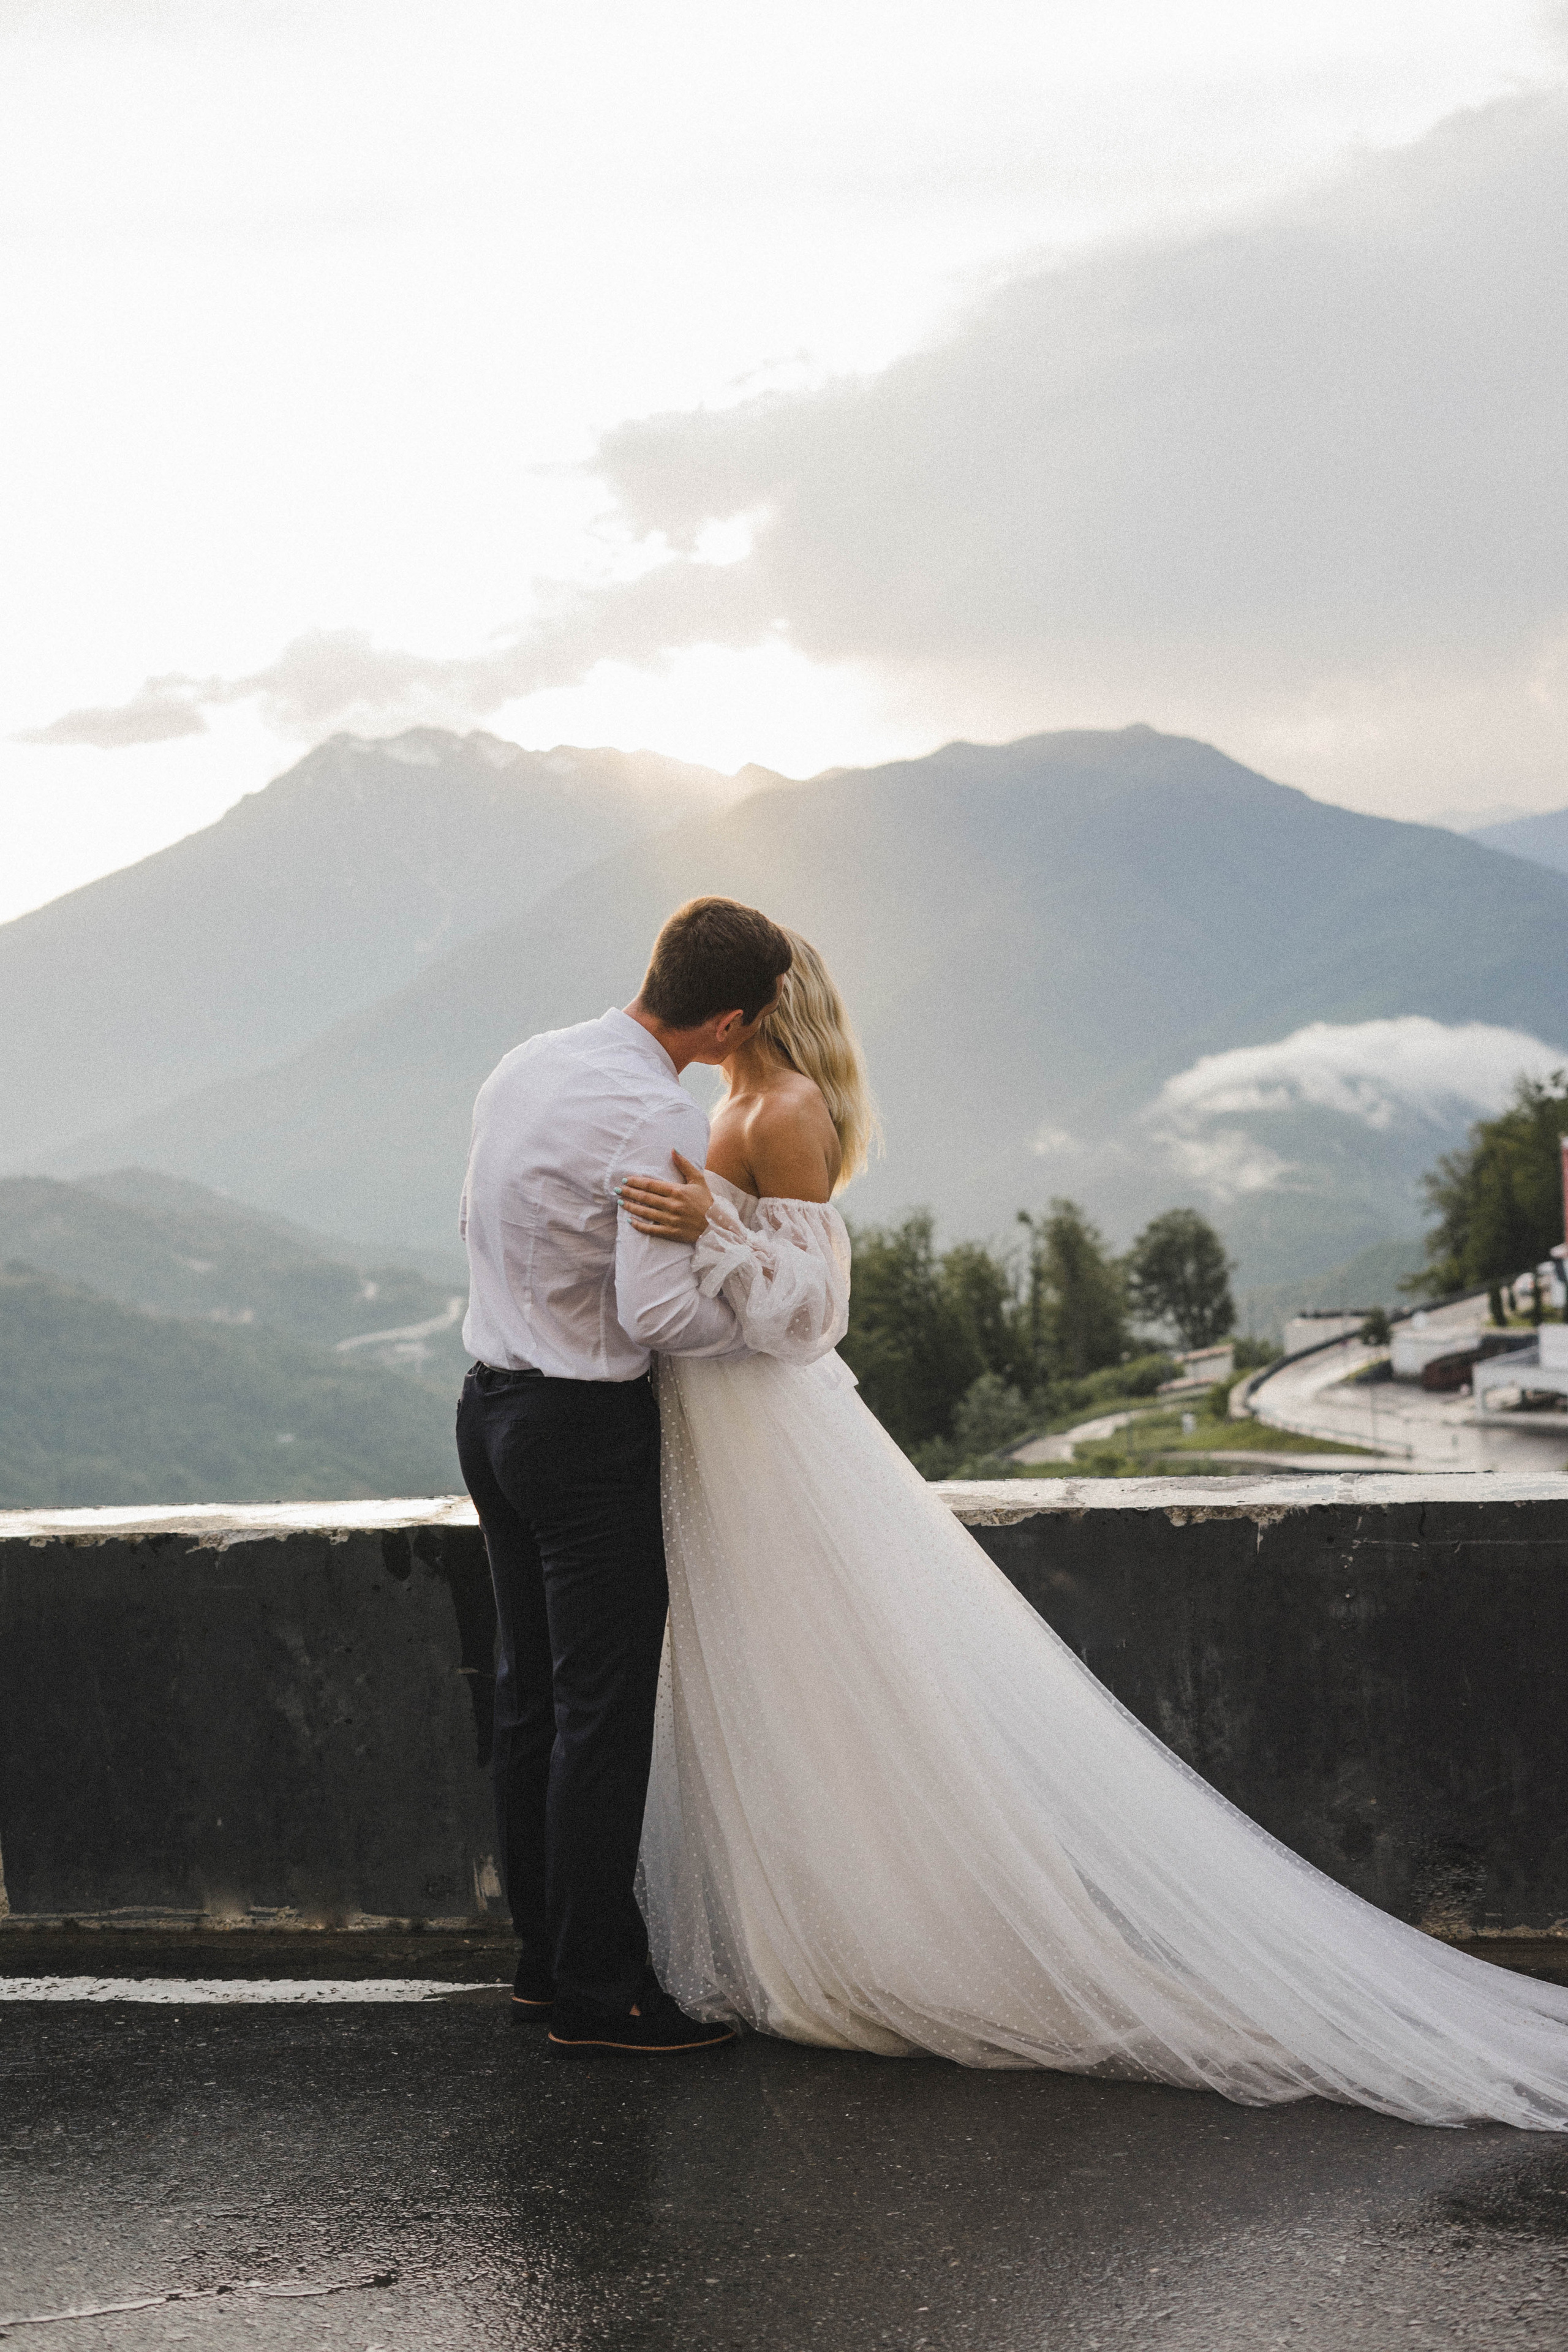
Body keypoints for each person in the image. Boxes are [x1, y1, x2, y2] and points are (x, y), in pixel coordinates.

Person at [617, 931, 1568, 2128]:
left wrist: (707, 1224)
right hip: (718, 1427)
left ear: (754, 1010)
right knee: (769, 1684)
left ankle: (885, 1942)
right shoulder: (730, 1099)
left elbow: (812, 1316)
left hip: (766, 1422)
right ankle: (808, 1932)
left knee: (831, 1676)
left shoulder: (785, 1111)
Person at [455, 895, 791, 2056]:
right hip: (582, 1427)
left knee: (529, 1697)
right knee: (600, 1715)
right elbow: (659, 1316)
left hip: (487, 1407)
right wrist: (750, 1278)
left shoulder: (530, 1062)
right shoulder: (659, 1117)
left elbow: (478, 1219)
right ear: (731, 1020)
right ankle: (603, 1993)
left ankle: (546, 1965)